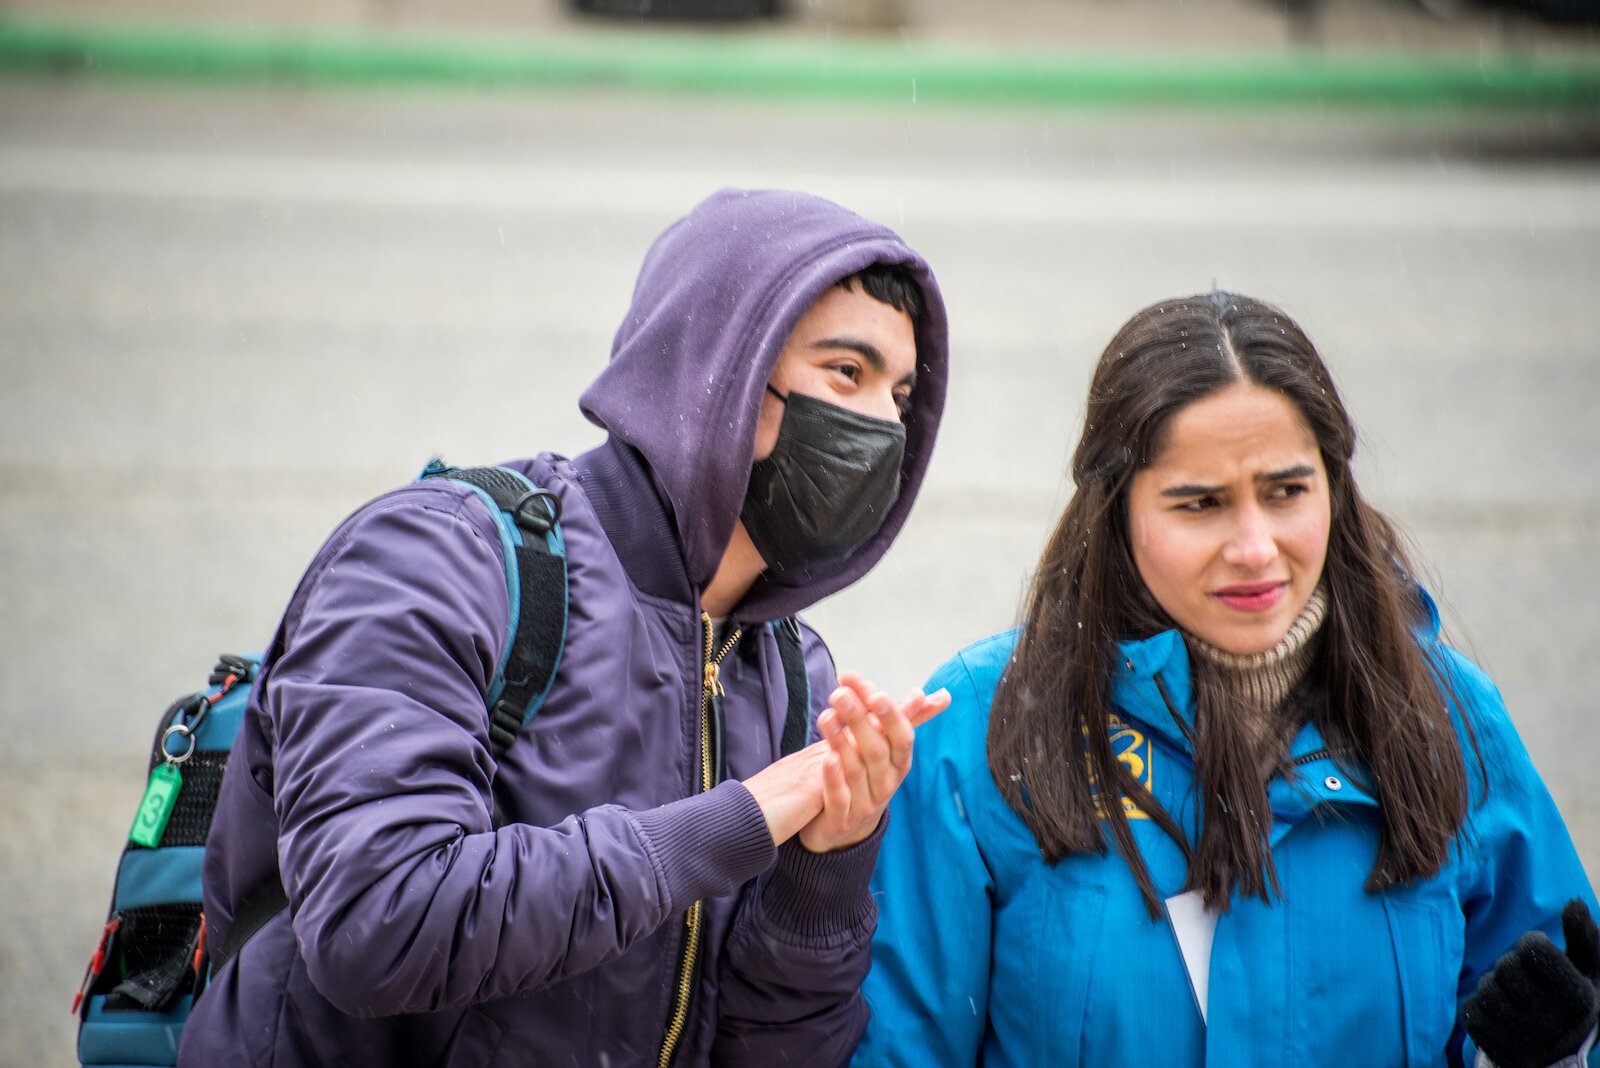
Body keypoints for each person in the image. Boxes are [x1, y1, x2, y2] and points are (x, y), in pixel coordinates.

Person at [179, 187, 951, 1067]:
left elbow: (774, 1050)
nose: (885, 424)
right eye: (846, 374)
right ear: (721, 372)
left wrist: (825, 868)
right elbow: (375, 922)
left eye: (901, 393)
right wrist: (733, 821)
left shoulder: (792, 675)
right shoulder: (445, 556)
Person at [853, 292, 1599, 1067]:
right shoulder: (980, 726)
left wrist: (1548, 1057)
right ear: (1117, 513)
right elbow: (896, 1049)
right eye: (1200, 504)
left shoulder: (1448, 717)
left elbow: (1565, 1004)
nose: (1254, 546)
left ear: (1334, 489)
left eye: (1286, 492)